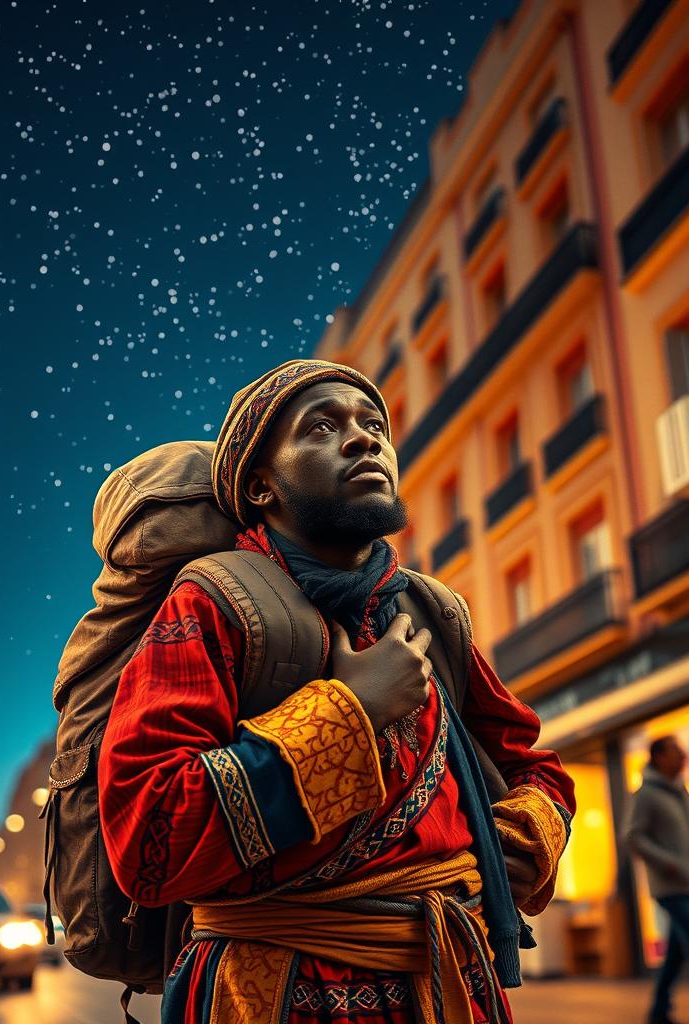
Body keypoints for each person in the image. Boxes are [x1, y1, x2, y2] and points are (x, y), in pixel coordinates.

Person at [100, 358, 576, 1023]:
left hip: (451, 983)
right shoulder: (211, 602)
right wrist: (347, 714)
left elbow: (534, 765)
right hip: (276, 994)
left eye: (372, 423)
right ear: (262, 486)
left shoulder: (432, 611)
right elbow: (147, 840)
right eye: (321, 427)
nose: (363, 439)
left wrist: (523, 838)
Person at [626, 736, 689, 1024]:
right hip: (671, 886)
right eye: (676, 751)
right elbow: (633, 836)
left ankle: (659, 1009)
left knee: (677, 951)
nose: (683, 756)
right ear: (658, 757)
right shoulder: (646, 794)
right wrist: (667, 862)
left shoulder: (682, 791)